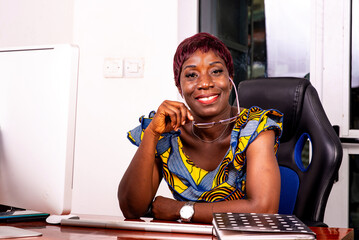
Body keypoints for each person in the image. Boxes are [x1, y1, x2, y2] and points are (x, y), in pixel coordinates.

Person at [118, 32, 283, 224]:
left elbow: (264, 209)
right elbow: (131, 209)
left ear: (230, 80)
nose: (205, 83)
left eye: (216, 71)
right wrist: (152, 134)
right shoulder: (166, 133)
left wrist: (179, 210)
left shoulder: (255, 127)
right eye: (191, 75)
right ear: (179, 87)